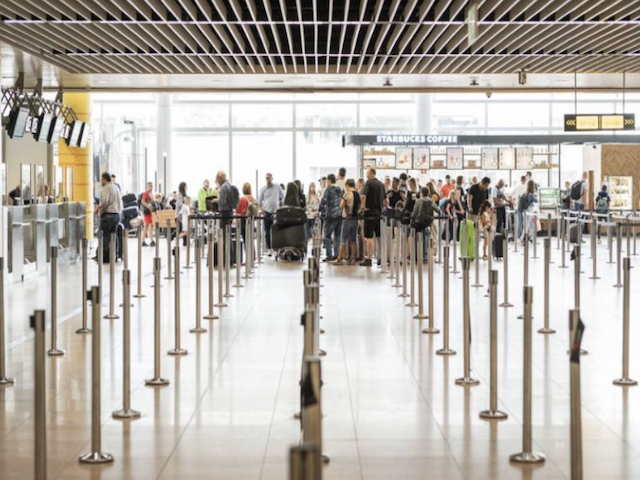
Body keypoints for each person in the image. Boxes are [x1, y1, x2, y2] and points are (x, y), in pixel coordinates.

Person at [360, 168, 387, 267]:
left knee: (369, 237)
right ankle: (380, 257)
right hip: (379, 214)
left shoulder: (368, 183)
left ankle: (369, 258)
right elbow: (385, 200)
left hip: (370, 213)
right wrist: (383, 208)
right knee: (379, 237)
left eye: (367, 174)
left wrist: (363, 207)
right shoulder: (381, 184)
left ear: (371, 174)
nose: (366, 176)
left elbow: (363, 196)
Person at [96, 172, 122, 262]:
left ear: (104, 179)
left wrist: (98, 209)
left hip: (108, 215)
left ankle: (105, 256)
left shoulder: (106, 187)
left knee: (105, 236)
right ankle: (115, 255)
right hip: (116, 215)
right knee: (114, 236)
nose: (101, 181)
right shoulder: (116, 187)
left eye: (101, 179)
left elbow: (104, 201)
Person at [333, 179, 359, 265]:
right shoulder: (357, 193)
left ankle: (339, 258)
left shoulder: (347, 193)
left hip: (347, 219)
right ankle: (353, 258)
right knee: (353, 239)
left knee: (343, 239)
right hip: (355, 219)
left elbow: (341, 205)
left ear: (347, 185)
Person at [258, 173, 285, 255]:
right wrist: (262, 211)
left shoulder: (277, 187)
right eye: (266, 178)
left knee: (276, 231)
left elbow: (283, 196)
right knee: (267, 231)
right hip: (267, 212)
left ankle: (276, 248)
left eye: (269, 178)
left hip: (276, 212)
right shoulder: (263, 189)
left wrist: (281, 207)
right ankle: (269, 248)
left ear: (272, 178)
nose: (268, 180)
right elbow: (259, 201)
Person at [320, 174, 343, 261]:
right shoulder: (340, 189)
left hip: (331, 215)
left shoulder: (328, 189)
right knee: (337, 235)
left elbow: (323, 201)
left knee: (327, 235)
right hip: (340, 214)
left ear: (329, 181)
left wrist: (319, 209)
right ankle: (337, 254)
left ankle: (329, 255)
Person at [140, 182, 155, 246]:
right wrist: (148, 206)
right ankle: (151, 240)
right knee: (150, 226)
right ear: (147, 187)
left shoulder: (151, 194)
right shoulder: (145, 193)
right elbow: (142, 201)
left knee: (146, 226)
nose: (151, 187)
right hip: (147, 212)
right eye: (149, 186)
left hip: (149, 212)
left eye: (151, 186)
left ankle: (142, 241)